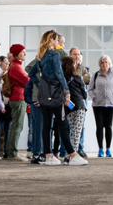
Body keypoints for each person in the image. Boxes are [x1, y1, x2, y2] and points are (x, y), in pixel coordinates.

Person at [27, 31, 84, 165]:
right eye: (57, 40)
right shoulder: (54, 55)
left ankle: (48, 156)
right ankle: (73, 154)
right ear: (52, 40)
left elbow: (31, 73)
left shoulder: (41, 57)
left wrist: (40, 84)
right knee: (62, 125)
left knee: (47, 125)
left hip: (44, 96)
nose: (58, 42)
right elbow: (59, 74)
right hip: (56, 95)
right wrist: (67, 92)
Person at [88, 55, 113, 157]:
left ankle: (108, 149)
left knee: (108, 126)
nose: (104, 64)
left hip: (110, 105)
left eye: (106, 62)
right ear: (100, 64)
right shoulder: (95, 75)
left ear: (109, 63)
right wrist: (94, 97)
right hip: (98, 105)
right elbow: (90, 89)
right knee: (99, 126)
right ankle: (100, 149)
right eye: (102, 62)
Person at [62, 55, 89, 165]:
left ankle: (68, 156)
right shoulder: (78, 78)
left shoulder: (62, 79)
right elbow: (84, 94)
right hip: (79, 107)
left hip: (68, 107)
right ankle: (73, 156)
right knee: (77, 133)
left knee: (70, 131)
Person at [5, 44, 29, 160]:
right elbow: (27, 81)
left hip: (17, 98)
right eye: (22, 52)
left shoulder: (15, 66)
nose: (25, 54)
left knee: (15, 126)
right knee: (17, 126)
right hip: (18, 98)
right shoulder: (16, 67)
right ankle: (12, 153)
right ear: (17, 53)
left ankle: (11, 151)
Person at [68, 47, 91, 158]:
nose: (77, 56)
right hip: (69, 100)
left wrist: (82, 78)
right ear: (69, 55)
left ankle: (79, 148)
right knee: (71, 126)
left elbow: (87, 81)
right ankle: (70, 151)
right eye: (74, 54)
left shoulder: (83, 68)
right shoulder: (66, 68)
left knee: (80, 126)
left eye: (78, 54)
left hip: (80, 99)